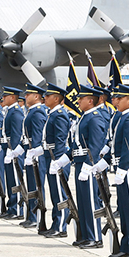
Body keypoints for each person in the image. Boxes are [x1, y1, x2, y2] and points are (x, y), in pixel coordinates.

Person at [92, 84, 129, 257]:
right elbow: (116, 146)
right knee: (124, 210)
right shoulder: (122, 117)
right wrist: (104, 162)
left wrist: (122, 169)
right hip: (122, 167)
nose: (114, 100)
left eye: (119, 98)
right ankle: (126, 247)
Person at [62, 85, 107, 248]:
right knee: (82, 201)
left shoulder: (95, 117)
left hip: (88, 164)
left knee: (90, 201)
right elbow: (77, 144)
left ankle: (95, 237)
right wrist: (65, 159)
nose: (78, 100)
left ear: (90, 100)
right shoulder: (85, 116)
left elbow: (95, 145)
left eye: (81, 98)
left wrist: (89, 165)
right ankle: (86, 235)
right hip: (80, 162)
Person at [41, 84, 72, 238]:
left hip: (57, 157)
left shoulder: (59, 114)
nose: (45, 98)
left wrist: (58, 160)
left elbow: (60, 139)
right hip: (50, 155)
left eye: (48, 96)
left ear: (57, 98)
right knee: (54, 192)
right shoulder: (52, 113)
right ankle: (56, 223)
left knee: (59, 193)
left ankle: (61, 226)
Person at [20, 84, 48, 229]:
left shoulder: (37, 112)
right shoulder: (31, 111)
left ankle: (37, 217)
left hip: (36, 155)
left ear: (36, 96)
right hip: (31, 153)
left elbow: (37, 135)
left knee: (36, 186)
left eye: (28, 94)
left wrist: (34, 152)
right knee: (31, 185)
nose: (25, 97)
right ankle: (31, 216)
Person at [0, 86, 27, 220]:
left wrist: (13, 151)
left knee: (16, 181)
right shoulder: (10, 111)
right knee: (10, 180)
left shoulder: (16, 112)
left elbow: (16, 133)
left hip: (14, 150)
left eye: (5, 96)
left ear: (12, 97)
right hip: (9, 149)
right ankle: (12, 207)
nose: (3, 98)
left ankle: (17, 209)